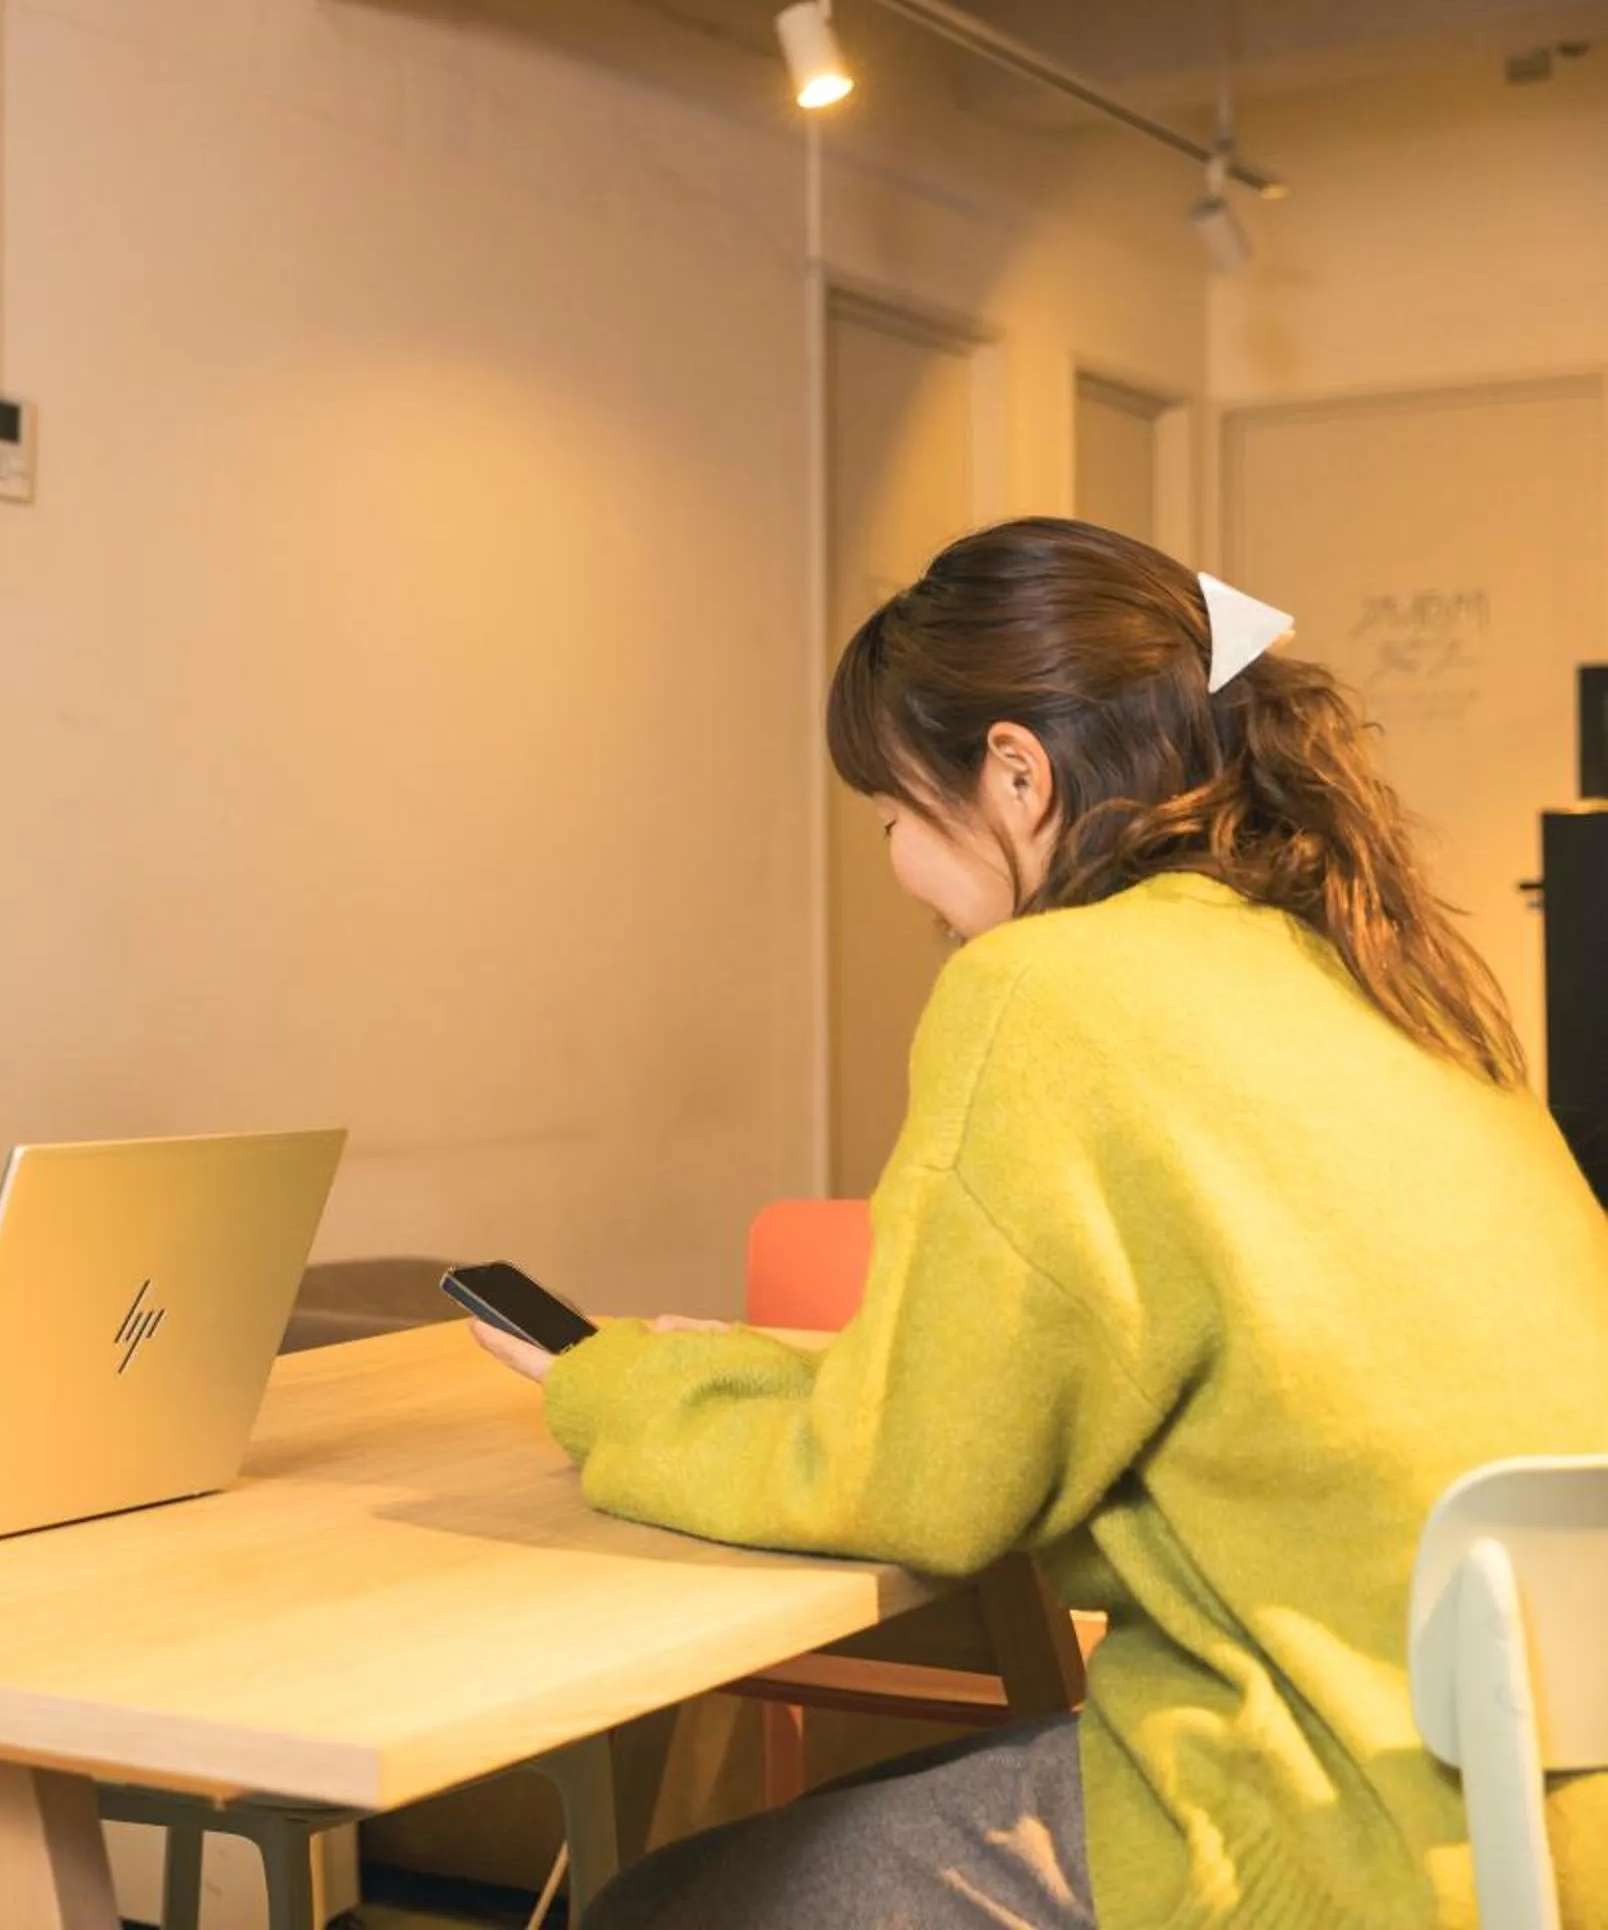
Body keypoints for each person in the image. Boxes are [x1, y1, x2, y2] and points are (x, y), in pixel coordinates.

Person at [474, 517, 1608, 1927]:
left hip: (1325, 1833)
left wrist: (612, 1382)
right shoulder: (1394, 975)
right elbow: (1085, 1408)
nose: (898, 867)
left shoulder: (1051, 992)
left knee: (659, 1906)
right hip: (1534, 1816)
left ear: (1015, 772)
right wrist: (792, 1379)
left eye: (892, 813)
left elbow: (923, 1494)